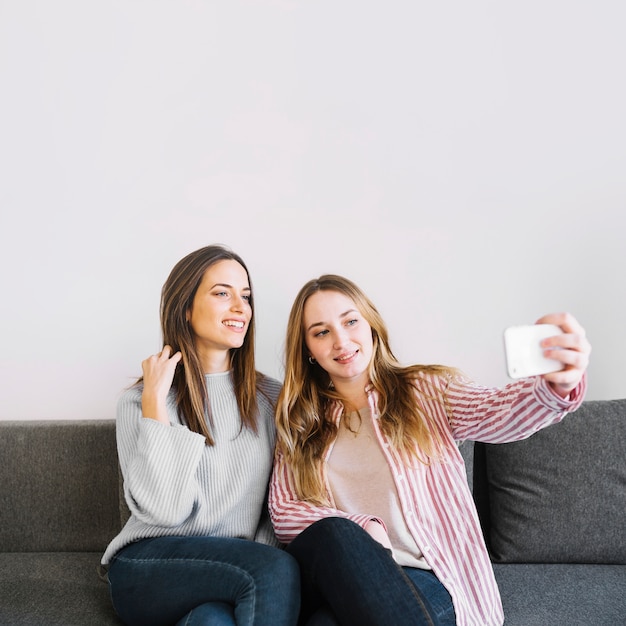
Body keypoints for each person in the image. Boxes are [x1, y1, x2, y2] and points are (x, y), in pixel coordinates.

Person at [269, 274, 591, 626]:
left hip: (428, 577)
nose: (341, 340)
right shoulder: (301, 422)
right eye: (321, 332)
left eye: (350, 321)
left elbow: (496, 413)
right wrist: (362, 528)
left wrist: (556, 388)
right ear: (308, 351)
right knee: (336, 533)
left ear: (371, 325)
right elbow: (284, 510)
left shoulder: (425, 391)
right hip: (341, 579)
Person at [101, 245, 300, 626]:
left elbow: (278, 505)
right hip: (149, 567)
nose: (240, 308)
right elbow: (164, 511)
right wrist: (156, 405)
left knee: (213, 620)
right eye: (222, 293)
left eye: (246, 296)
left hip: (236, 568)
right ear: (186, 308)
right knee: (275, 569)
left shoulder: (271, 399)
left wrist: (256, 560)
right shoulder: (139, 401)